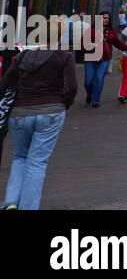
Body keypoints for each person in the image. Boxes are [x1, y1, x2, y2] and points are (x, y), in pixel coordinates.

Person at [0, 45, 77, 209]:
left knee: (20, 156)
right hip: (51, 110)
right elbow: (71, 87)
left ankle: (11, 201)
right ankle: (28, 206)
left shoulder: (23, 56)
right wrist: (64, 105)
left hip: (20, 111)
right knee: (37, 162)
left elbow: (5, 81)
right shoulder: (64, 57)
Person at [84, 14, 127, 107]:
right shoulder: (91, 30)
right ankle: (90, 94)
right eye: (104, 18)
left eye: (108, 18)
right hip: (91, 58)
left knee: (99, 79)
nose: (106, 20)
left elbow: (118, 44)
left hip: (104, 59)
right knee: (88, 82)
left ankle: (95, 100)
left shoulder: (111, 31)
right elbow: (83, 43)